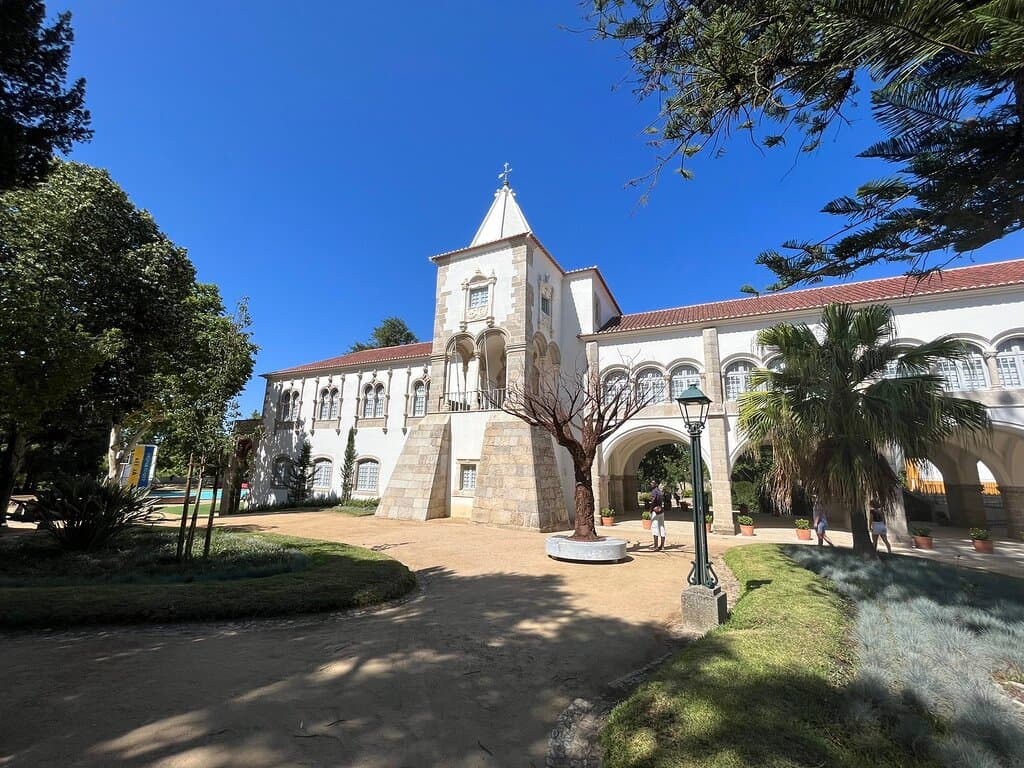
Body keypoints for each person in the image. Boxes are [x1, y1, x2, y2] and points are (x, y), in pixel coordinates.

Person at [649, 481, 666, 551]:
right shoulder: (659, 491)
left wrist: (650, 510)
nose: (651, 484)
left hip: (655, 511)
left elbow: (653, 500)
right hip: (661, 510)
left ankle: (655, 546)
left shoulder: (654, 491)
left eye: (652, 483)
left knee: (654, 527)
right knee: (662, 527)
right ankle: (662, 545)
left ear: (655, 484)